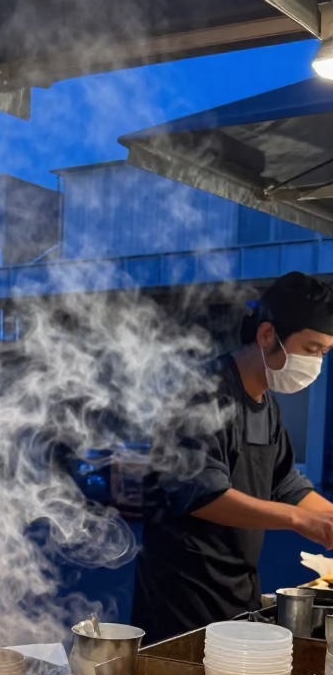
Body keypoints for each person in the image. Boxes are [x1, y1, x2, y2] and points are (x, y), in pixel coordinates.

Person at [132, 271, 333, 645]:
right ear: (267, 335)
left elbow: (286, 484)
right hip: (182, 601)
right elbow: (201, 494)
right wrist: (299, 520)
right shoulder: (201, 393)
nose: (316, 363)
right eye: (310, 349)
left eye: (324, 353)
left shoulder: (267, 407)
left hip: (237, 595)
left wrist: (328, 516)